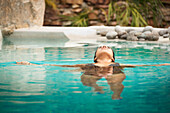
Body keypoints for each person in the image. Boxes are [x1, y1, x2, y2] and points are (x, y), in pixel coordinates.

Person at [16, 46, 170, 100]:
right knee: (87, 78)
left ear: (113, 57)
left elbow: (146, 65)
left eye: (107, 47)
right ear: (95, 57)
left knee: (117, 79)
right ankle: (96, 87)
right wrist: (31, 64)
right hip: (91, 74)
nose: (104, 46)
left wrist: (165, 63)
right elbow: (59, 65)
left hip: (114, 73)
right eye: (101, 47)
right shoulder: (87, 65)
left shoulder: (118, 65)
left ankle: (116, 93)